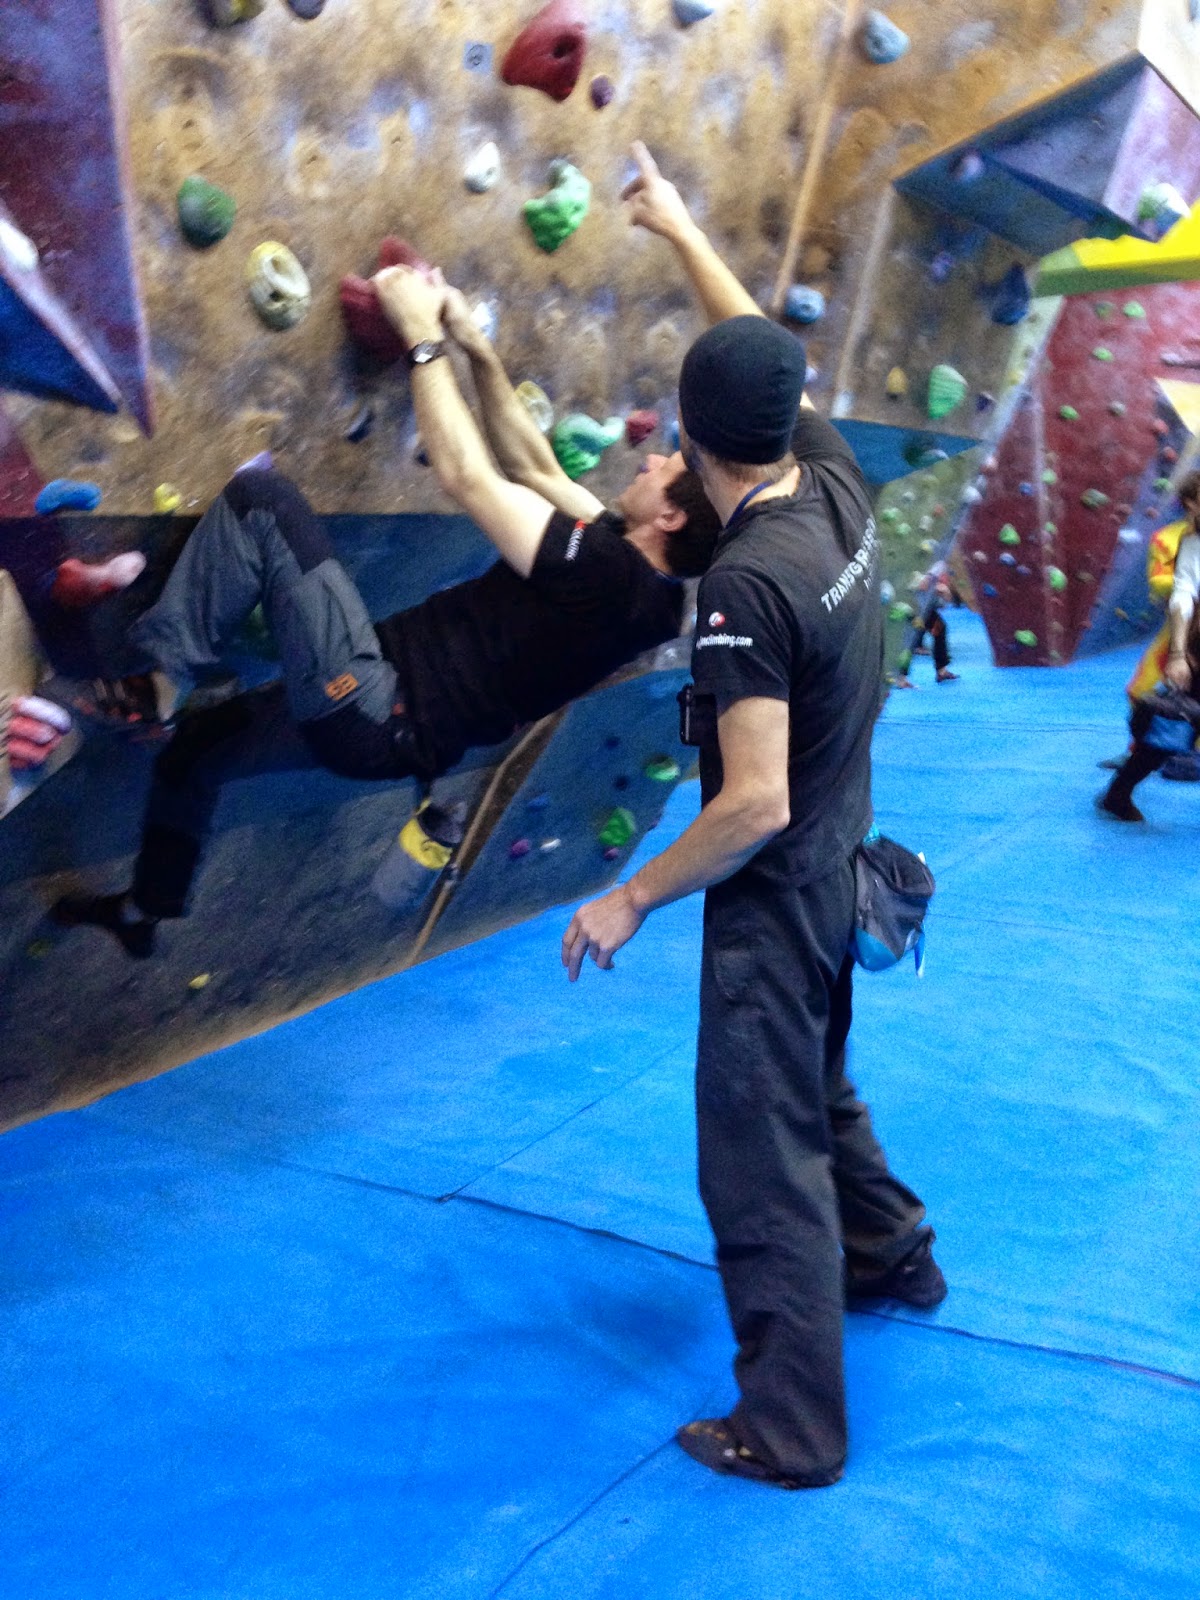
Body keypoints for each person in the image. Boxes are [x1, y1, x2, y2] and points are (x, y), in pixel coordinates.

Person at [562, 144, 943, 1490]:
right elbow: (760, 352)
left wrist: (629, 895)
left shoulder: (744, 588)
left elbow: (752, 802)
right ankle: (894, 1256)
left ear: (688, 441)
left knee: (758, 1154)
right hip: (843, 859)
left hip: (779, 895)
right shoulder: (828, 479)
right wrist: (679, 229)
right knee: (815, 1083)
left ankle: (789, 1428)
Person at [55, 274, 720, 956]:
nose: (652, 459)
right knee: (196, 751)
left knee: (262, 501)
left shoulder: (607, 573)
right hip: (385, 722)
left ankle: (159, 682)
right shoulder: (655, 594)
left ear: (669, 517)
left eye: (667, 468)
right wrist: (473, 346)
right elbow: (535, 468)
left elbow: (467, 476)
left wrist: (422, 337)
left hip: (373, 702)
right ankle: (143, 910)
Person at [1099, 474, 1200, 821]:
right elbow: (1181, 596)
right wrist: (1178, 654)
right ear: (1192, 504)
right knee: (1173, 724)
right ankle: (1119, 792)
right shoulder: (1190, 543)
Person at [893, 563, 958, 688]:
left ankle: (941, 670)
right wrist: (930, 584)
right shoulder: (929, 565)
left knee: (939, 629)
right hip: (913, 604)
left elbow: (941, 598)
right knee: (911, 637)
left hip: (924, 606)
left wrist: (941, 591)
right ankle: (900, 677)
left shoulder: (941, 565)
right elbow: (921, 582)